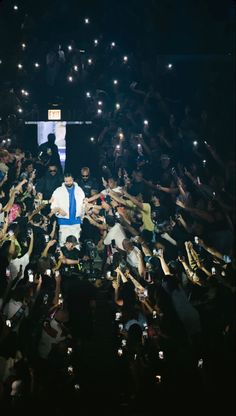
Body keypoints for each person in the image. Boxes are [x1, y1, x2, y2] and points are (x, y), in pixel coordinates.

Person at [50, 173, 85, 246]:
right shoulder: (58, 191)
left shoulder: (79, 190)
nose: (68, 183)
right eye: (66, 181)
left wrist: (82, 217)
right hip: (63, 221)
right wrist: (59, 210)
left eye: (69, 181)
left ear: (73, 180)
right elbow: (53, 205)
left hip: (76, 221)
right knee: (63, 243)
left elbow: (83, 204)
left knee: (76, 244)